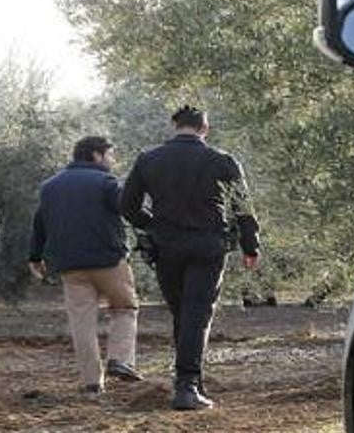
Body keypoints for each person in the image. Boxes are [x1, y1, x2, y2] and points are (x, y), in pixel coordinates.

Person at [120, 106, 260, 411]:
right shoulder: (222, 161)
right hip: (208, 246)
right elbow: (243, 209)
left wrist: (152, 224)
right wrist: (251, 246)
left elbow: (127, 205)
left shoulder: (149, 160)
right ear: (204, 129)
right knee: (196, 314)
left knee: (183, 313)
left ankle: (189, 381)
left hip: (166, 247)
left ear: (175, 126)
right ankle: (187, 385)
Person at [29, 135, 143, 395]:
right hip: (109, 261)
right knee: (125, 307)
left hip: (70, 266)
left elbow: (40, 223)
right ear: (95, 155)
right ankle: (120, 359)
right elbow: (128, 208)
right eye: (110, 155)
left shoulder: (50, 186)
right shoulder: (106, 182)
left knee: (82, 322)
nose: (112, 161)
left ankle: (92, 383)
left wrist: (35, 256)